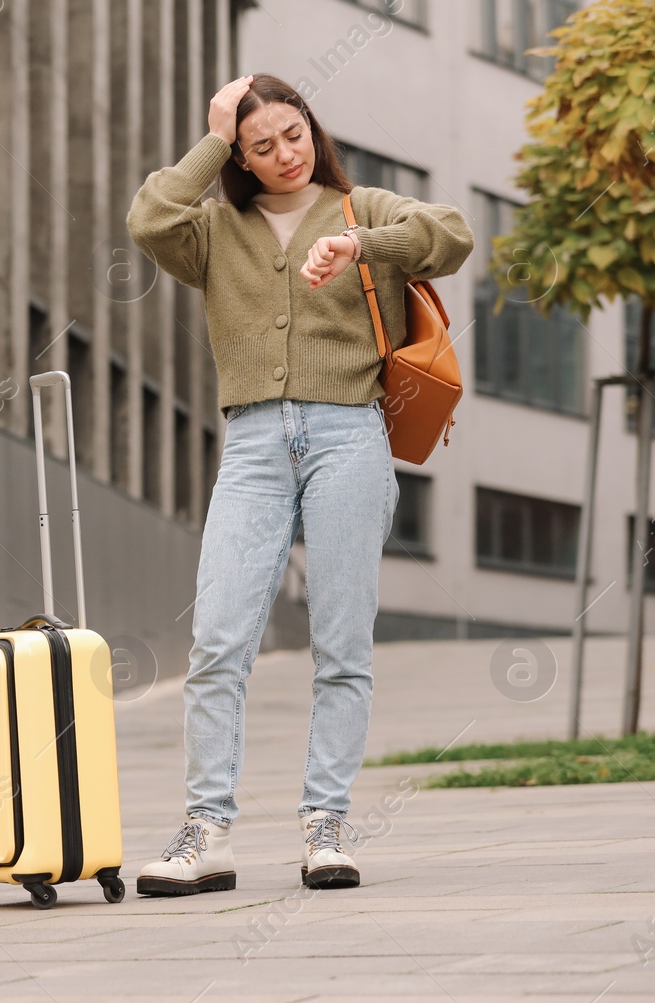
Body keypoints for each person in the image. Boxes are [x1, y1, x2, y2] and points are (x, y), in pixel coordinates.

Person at [124, 73, 473, 894]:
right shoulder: (214, 229)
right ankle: (205, 830)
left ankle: (327, 824)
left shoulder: (366, 208)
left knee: (342, 643)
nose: (285, 154)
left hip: (348, 433)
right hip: (251, 443)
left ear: (313, 127)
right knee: (217, 639)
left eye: (294, 133)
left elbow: (451, 236)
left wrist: (364, 248)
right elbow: (148, 218)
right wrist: (211, 135)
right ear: (237, 158)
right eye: (260, 145)